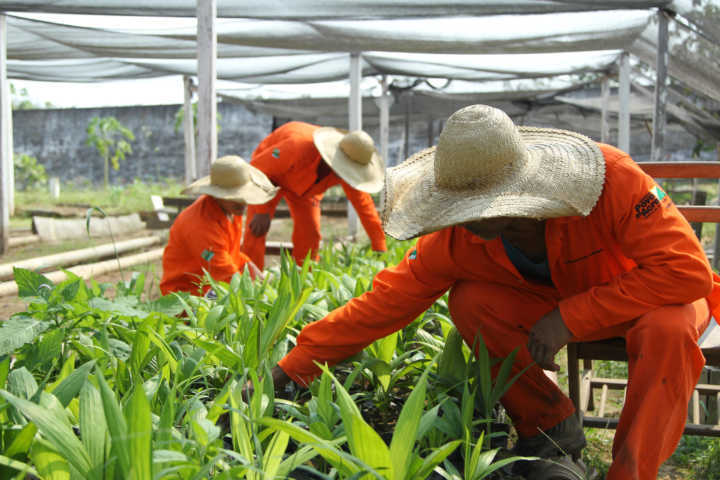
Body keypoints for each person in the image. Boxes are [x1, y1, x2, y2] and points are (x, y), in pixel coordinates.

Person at [263, 105, 720, 479]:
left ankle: (631, 473)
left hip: (647, 302)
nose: (456, 219)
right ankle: (549, 435)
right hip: (561, 303)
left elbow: (686, 273)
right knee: (471, 302)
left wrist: (569, 319)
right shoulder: (461, 238)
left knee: (669, 325)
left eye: (468, 209)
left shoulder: (612, 181)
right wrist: (293, 367)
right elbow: (385, 301)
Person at [241, 121, 387, 270]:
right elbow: (258, 169)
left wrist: (379, 245)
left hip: (306, 190)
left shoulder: (349, 171)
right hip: (270, 178)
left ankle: (302, 281)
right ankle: (250, 283)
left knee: (310, 235)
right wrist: (261, 210)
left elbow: (364, 205)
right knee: (257, 229)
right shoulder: (296, 147)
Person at [160, 155, 278, 296]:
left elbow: (231, 255)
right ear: (218, 195)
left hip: (215, 281)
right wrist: (261, 295)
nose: (243, 203)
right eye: (235, 197)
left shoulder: (231, 210)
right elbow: (224, 273)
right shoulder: (200, 226)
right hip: (188, 294)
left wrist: (258, 276)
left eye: (244, 196)